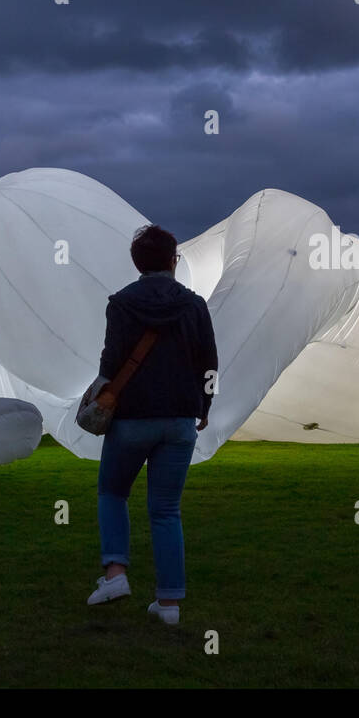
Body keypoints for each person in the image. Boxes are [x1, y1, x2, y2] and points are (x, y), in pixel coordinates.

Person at [86, 224, 218, 625]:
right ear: (173, 261)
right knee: (166, 510)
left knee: (112, 493)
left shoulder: (122, 303)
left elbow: (111, 362)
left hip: (131, 418)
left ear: (137, 262)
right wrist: (204, 406)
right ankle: (169, 605)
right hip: (179, 418)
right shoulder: (194, 305)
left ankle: (115, 574)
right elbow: (209, 363)